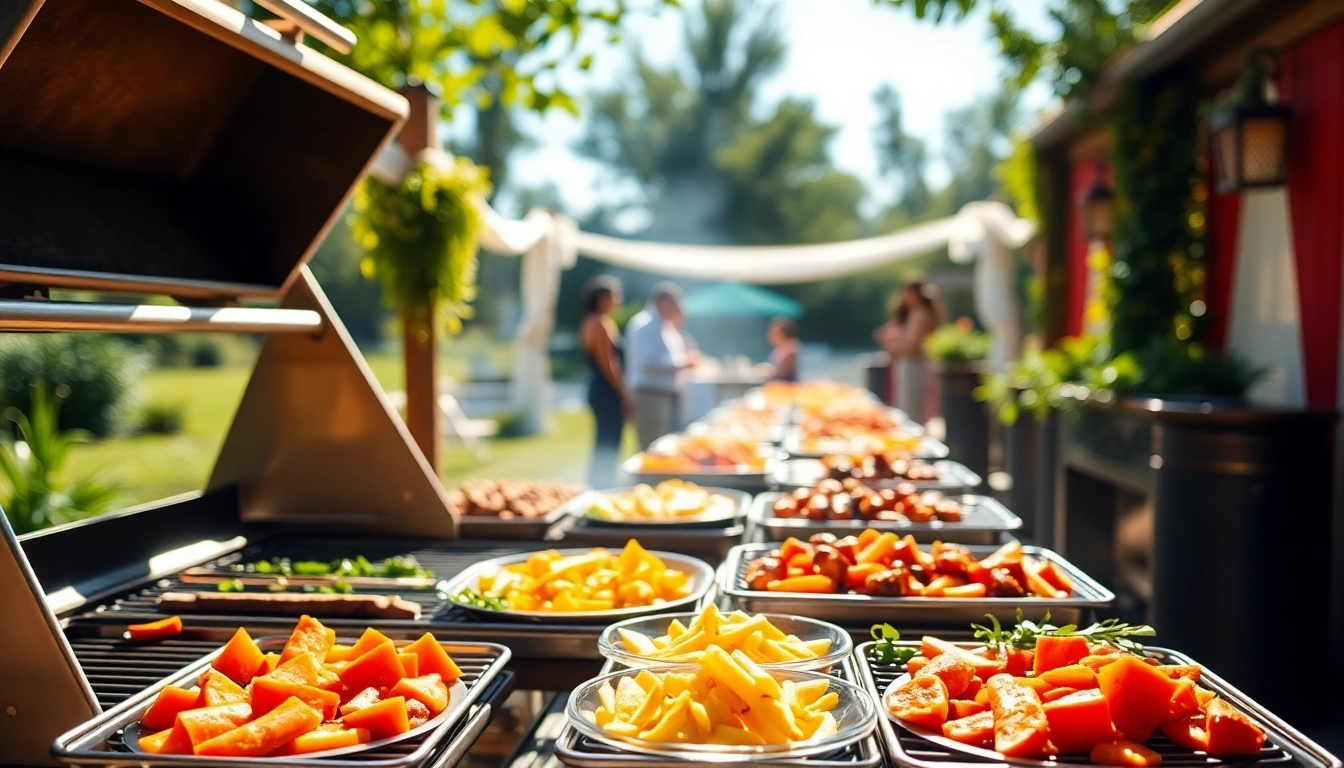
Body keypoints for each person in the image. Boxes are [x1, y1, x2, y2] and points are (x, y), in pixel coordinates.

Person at [625, 282, 694, 449]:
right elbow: (648, 362)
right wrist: (683, 362)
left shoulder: (663, 324)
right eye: (674, 303)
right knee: (651, 446)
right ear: (662, 301)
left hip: (663, 393)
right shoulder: (646, 323)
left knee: (665, 445)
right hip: (650, 394)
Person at [579, 276, 630, 488]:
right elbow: (608, 363)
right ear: (602, 299)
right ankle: (603, 484)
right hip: (606, 389)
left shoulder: (588, 321)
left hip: (597, 387)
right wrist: (624, 394)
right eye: (614, 297)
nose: (618, 301)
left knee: (603, 438)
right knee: (609, 440)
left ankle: (600, 482)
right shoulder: (600, 323)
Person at [876, 280, 942, 422]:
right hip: (912, 365)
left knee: (911, 412)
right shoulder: (916, 313)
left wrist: (890, 345)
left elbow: (912, 347)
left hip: (914, 366)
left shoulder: (920, 314)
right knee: (908, 408)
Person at [765, 317, 800, 382]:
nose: (772, 336)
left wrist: (766, 372)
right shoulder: (779, 348)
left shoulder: (791, 348)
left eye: (776, 333)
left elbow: (783, 373)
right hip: (779, 384)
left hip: (787, 386)